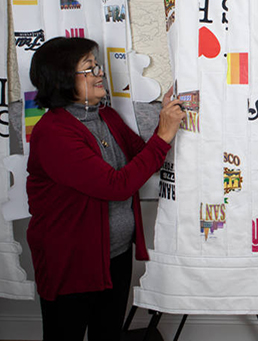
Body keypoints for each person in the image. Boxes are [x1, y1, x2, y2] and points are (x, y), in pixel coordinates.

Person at [26, 37, 185, 340]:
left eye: (96, 65)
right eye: (90, 67)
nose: (100, 73)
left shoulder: (106, 116)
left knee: (108, 333)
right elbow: (115, 186)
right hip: (71, 260)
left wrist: (165, 122)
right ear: (63, 79)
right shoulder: (53, 133)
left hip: (115, 253)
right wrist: (163, 136)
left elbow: (142, 155)